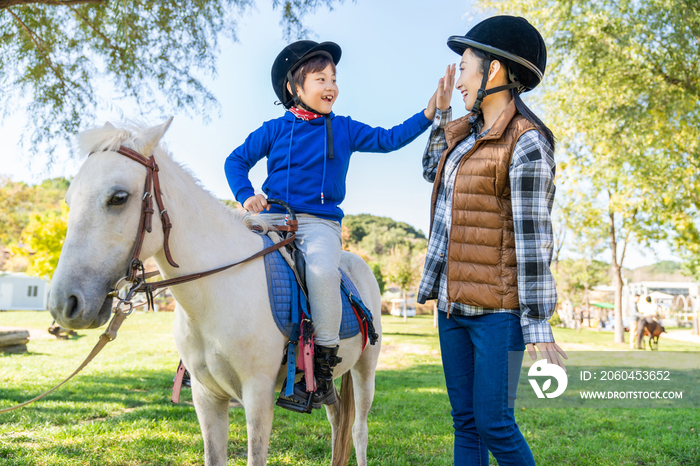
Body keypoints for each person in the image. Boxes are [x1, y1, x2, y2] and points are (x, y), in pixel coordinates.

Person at [225, 40, 435, 411]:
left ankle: (321, 369)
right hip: (273, 216)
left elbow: (389, 139)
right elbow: (235, 161)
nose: (331, 86)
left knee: (322, 272)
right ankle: (209, 348)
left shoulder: (345, 129)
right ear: (295, 88)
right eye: (320, 78)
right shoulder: (274, 129)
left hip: (318, 223)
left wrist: (428, 113)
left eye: (334, 78)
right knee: (229, 244)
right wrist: (246, 196)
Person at [416, 16, 567, 465]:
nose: (457, 79)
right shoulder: (466, 135)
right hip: (453, 306)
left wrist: (537, 321)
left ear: (494, 71)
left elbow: (535, 239)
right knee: (466, 423)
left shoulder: (527, 143)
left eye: (464, 67)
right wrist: (441, 113)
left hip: (498, 314)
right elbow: (430, 169)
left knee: (495, 423)